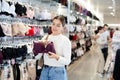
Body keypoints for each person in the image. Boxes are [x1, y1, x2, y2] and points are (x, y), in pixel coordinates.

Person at [38, 15, 71, 80]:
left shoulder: (65, 41)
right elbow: (37, 57)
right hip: (45, 70)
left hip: (58, 72)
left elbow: (67, 61)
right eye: (53, 24)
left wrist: (56, 57)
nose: (54, 27)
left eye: (58, 25)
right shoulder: (45, 38)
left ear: (63, 27)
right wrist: (39, 47)